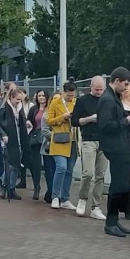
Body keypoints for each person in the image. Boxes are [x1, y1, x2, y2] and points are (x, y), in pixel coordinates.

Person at [98, 67, 130, 238]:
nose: (127, 88)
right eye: (125, 84)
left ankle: (113, 221)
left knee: (120, 185)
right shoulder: (108, 99)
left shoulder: (112, 97)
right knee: (117, 185)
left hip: (118, 146)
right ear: (116, 81)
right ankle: (111, 223)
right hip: (115, 147)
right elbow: (105, 126)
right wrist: (126, 121)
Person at [71, 75, 108, 220]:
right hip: (88, 139)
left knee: (101, 174)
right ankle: (82, 198)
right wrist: (89, 119)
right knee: (88, 172)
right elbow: (74, 121)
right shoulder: (82, 101)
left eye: (101, 89)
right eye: (96, 89)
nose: (99, 92)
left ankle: (96, 206)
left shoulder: (107, 100)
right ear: (91, 87)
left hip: (104, 140)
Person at [47, 78, 79, 210]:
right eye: (68, 95)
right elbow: (49, 121)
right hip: (59, 139)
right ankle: (55, 196)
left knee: (69, 170)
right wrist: (63, 117)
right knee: (61, 167)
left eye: (72, 95)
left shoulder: (76, 102)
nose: (71, 97)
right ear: (63, 92)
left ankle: (65, 198)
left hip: (73, 140)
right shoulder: (55, 103)